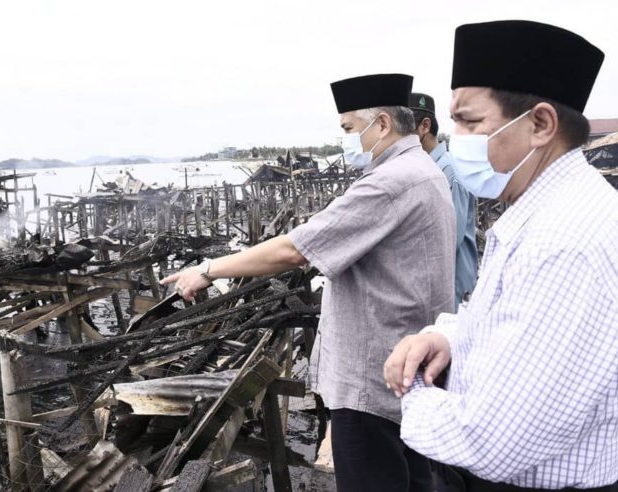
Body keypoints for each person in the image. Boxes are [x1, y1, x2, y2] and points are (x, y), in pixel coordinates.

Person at [383, 20, 618, 491]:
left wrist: (414, 391)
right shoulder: (544, 209)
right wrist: (450, 338)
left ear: (540, 124)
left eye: (469, 120)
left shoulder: (570, 241)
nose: (453, 137)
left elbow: (491, 442)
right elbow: (511, 324)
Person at [161, 73, 455, 492]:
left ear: (384, 124)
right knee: (413, 480)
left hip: (374, 375)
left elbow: (295, 250)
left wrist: (208, 269)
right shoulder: (422, 169)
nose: (345, 141)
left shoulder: (391, 182)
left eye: (349, 130)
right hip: (406, 369)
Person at [410, 92, 478, 309]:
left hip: (453, 287)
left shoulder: (448, 172)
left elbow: (449, 240)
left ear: (424, 126)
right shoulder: (422, 168)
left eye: (404, 130)